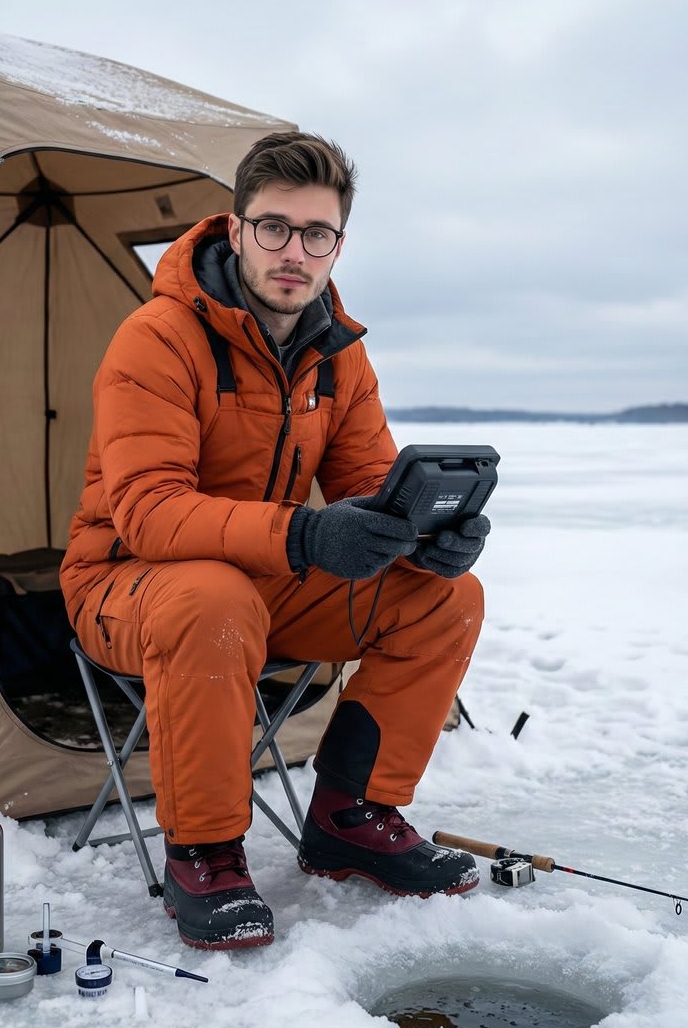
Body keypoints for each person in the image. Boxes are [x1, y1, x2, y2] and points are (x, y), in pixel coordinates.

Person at [60, 131, 489, 950]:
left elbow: (370, 482)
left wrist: (425, 534)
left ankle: (350, 816)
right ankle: (207, 854)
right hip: (124, 584)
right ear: (235, 229)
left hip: (265, 581)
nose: (295, 251)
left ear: (338, 244)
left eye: (316, 233)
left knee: (445, 598)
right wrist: (304, 532)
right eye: (275, 228)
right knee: (211, 596)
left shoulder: (338, 355)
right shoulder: (157, 338)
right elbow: (149, 513)